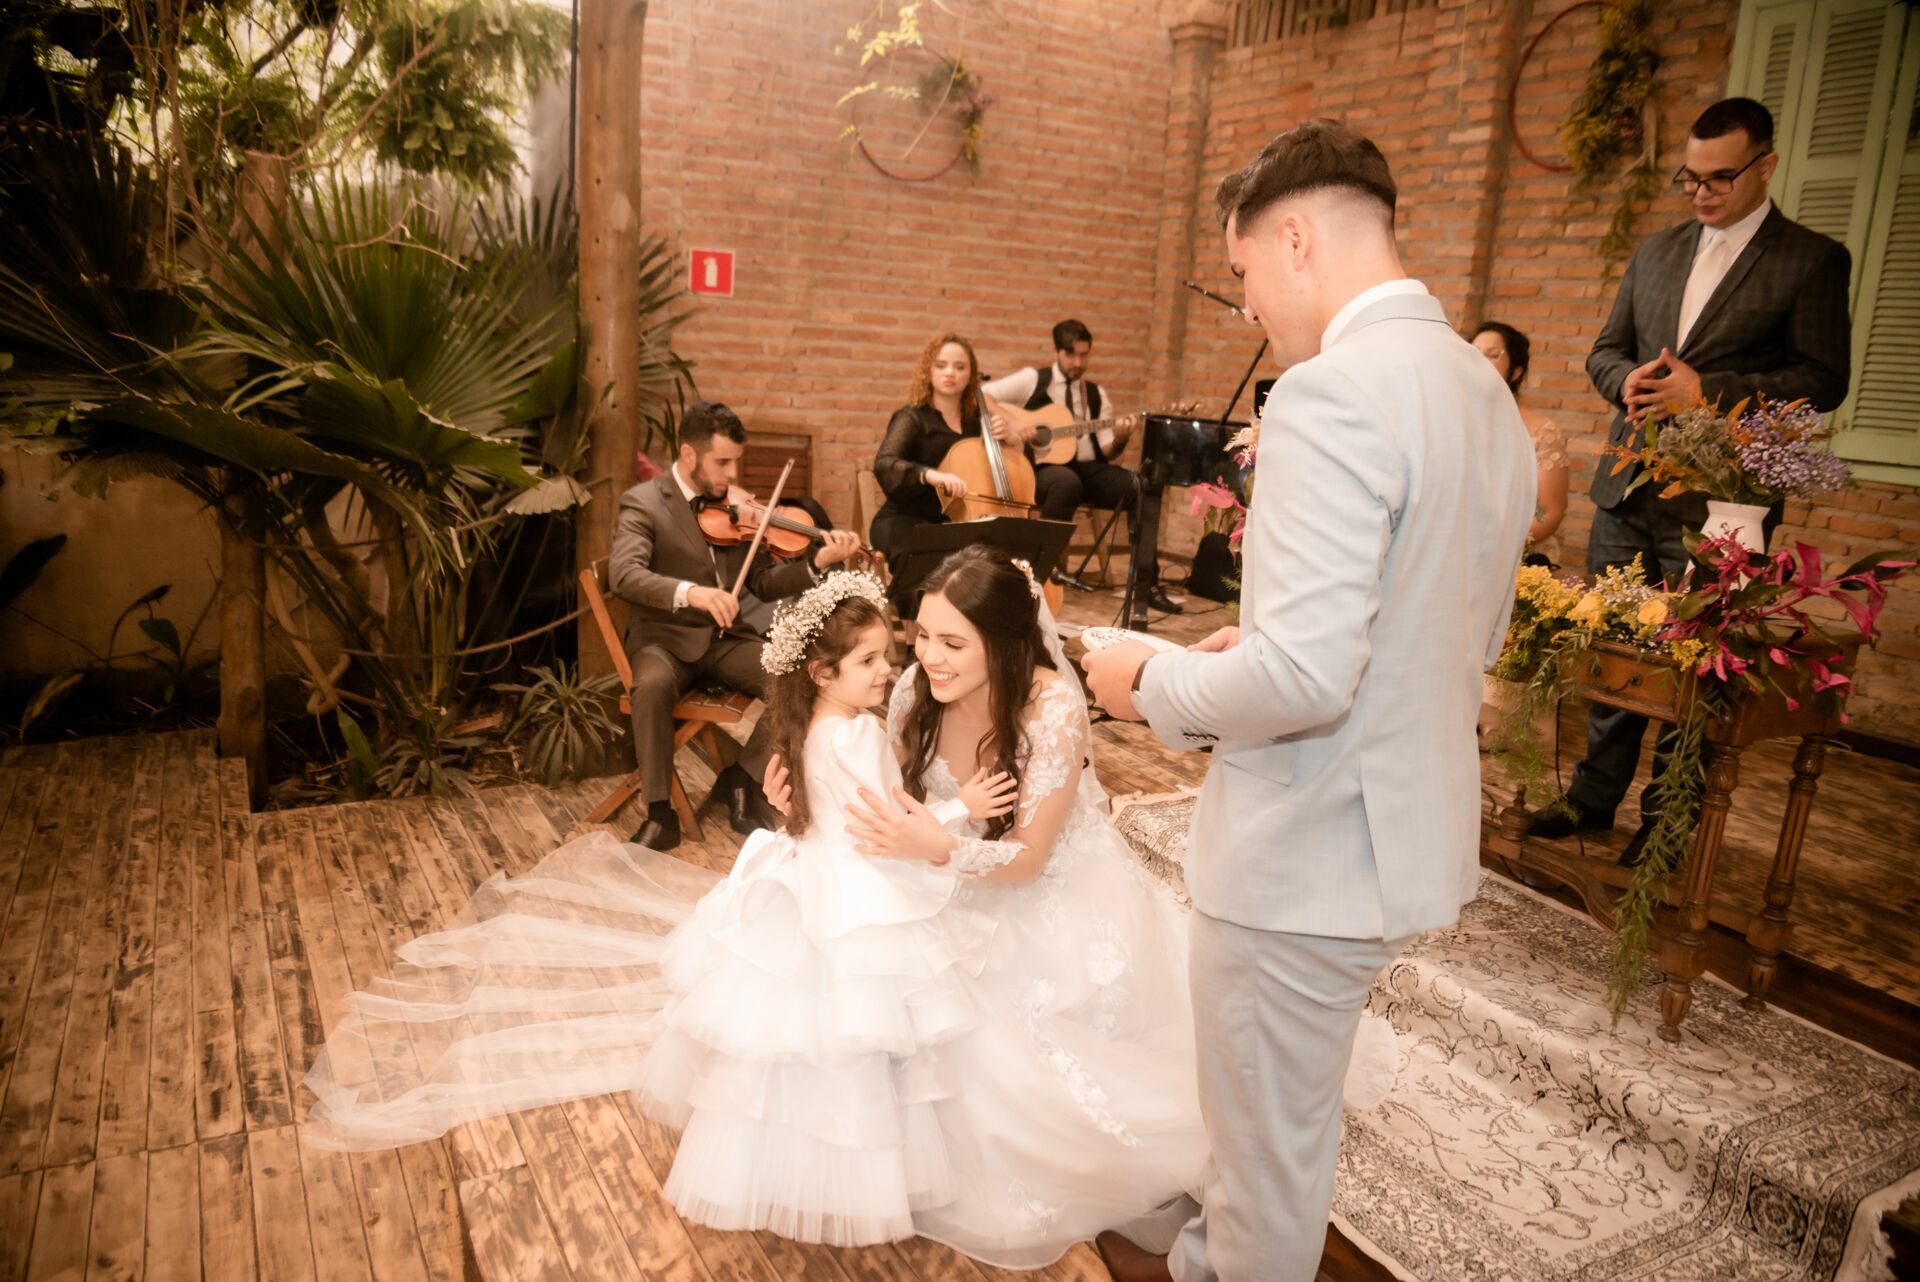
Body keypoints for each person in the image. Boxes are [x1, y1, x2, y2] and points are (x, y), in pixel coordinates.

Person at [1082, 120, 1533, 1282]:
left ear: (1294, 238)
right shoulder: (1482, 394)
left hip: (1307, 850)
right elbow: (1452, 633)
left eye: (1240, 279)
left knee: (1273, 1165)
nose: (1248, 312)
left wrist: (1152, 685)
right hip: (1397, 835)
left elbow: (1303, 679)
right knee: (1278, 1118)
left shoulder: (1330, 393)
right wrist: (1270, 641)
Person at [1528, 96, 1852, 865]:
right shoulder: (1657, 252)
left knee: (1692, 666)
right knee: (1609, 644)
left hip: (1720, 505)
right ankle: (1590, 799)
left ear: (1765, 166)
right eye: (1689, 177)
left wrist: (1709, 393)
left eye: (1720, 177)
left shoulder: (1810, 259)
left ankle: (1665, 822)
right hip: (1625, 489)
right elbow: (1604, 350)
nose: (1702, 192)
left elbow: (1822, 378)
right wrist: (1628, 378)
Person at [608, 400, 863, 849]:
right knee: (649, 686)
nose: (731, 475)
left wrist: (818, 559)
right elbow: (625, 575)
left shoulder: (734, 508)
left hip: (725, 640)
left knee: (801, 678)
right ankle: (660, 811)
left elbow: (763, 583)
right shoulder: (644, 502)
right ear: (689, 455)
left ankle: (741, 777)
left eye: (735, 462)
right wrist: (693, 593)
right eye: (721, 462)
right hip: (664, 642)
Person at [983, 321, 1181, 614]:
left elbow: (1106, 452)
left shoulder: (1095, 394)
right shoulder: (1032, 379)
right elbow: (982, 393)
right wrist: (1014, 423)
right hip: (1041, 469)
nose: (1078, 363)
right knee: (1066, 482)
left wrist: (1121, 439)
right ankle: (1038, 576)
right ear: (1056, 351)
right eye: (1071, 355)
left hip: (1087, 468)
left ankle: (1145, 584)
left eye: (1084, 356)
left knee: (1141, 486)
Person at [868, 333, 1028, 606]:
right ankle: (914, 641)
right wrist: (931, 474)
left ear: (971, 375)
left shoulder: (979, 424)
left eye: (959, 366)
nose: (950, 373)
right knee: (923, 555)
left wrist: (1014, 442)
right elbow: (885, 463)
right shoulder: (912, 418)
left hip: (957, 522)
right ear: (928, 371)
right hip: (905, 519)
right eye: (941, 365)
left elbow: (1016, 476)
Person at [1471, 321, 1569, 568]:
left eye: (1492, 355)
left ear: (1516, 371)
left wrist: (1495, 548)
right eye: (1473, 353)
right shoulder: (1450, 419)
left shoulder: (1541, 431)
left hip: (1516, 558)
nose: (1479, 361)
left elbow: (1548, 512)